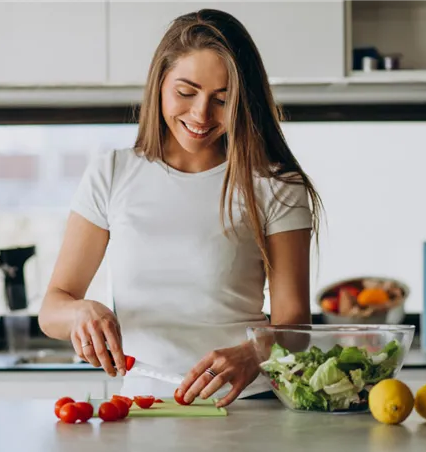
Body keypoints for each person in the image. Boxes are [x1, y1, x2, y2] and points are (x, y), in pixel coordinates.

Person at [38, 9, 323, 407]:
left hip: (244, 405)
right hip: (140, 407)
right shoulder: (113, 172)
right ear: (159, 84)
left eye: (222, 100)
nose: (201, 115)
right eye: (186, 93)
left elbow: (294, 327)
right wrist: (80, 313)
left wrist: (255, 353)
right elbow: (54, 307)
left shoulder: (275, 185)